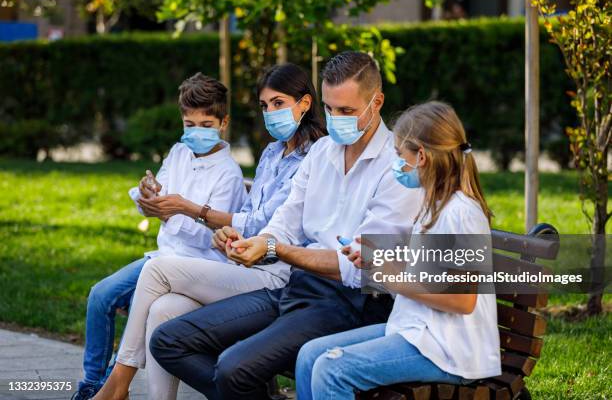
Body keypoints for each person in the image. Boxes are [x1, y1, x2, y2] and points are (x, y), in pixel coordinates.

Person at [149, 51, 423, 400]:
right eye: (329, 109)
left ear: (377, 101)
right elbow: (286, 221)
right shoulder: (321, 152)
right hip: (297, 287)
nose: (336, 118)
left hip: (352, 305)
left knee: (234, 369)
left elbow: (360, 268)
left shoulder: (395, 167)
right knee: (170, 340)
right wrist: (256, 241)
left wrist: (276, 249)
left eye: (347, 111)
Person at [91, 63, 326, 400]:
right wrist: (225, 233)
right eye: (265, 106)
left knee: (157, 271)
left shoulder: (315, 156)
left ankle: (118, 383)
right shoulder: (272, 153)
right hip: (242, 264)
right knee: (162, 309)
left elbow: (276, 225)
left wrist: (200, 213)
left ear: (304, 104)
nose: (270, 113)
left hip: (277, 275)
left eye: (279, 103)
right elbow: (249, 216)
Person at [295, 101, 501, 399]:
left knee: (331, 369)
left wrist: (389, 277)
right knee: (310, 355)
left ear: (421, 156)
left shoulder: (461, 213)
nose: (396, 164)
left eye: (399, 155)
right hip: (417, 331)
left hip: (449, 348)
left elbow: (462, 299)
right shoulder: (432, 205)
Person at [72, 72, 248, 400]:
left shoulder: (229, 175)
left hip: (195, 267)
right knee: (100, 295)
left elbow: (209, 237)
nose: (196, 132)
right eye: (189, 124)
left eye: (206, 124)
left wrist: (175, 211)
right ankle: (92, 386)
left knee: (139, 300)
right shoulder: (179, 152)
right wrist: (147, 193)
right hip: (161, 257)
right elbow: (153, 203)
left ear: (223, 123)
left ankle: (112, 389)